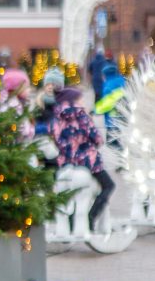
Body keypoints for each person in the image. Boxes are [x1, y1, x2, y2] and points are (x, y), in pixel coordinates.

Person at [49, 79, 115, 232]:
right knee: (109, 185)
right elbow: (97, 138)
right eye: (80, 98)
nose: (83, 101)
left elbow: (55, 139)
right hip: (87, 160)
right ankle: (92, 216)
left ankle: (70, 222)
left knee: (69, 195)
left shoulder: (56, 118)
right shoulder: (80, 115)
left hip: (66, 162)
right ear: (74, 100)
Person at [95, 62, 126, 149]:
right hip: (123, 117)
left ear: (105, 75)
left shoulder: (108, 86)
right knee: (121, 142)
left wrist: (96, 109)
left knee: (113, 146)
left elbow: (108, 103)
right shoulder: (122, 81)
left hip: (112, 120)